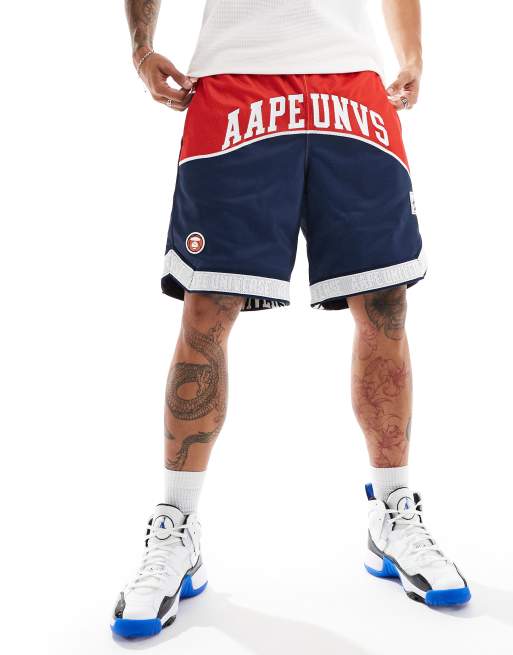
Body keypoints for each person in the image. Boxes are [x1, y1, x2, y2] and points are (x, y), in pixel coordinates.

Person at [112, 0, 470, 639]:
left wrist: (412, 54)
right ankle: (176, 527)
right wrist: (141, 47)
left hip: (352, 82)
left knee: (385, 303)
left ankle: (392, 511)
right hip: (233, 78)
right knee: (207, 307)